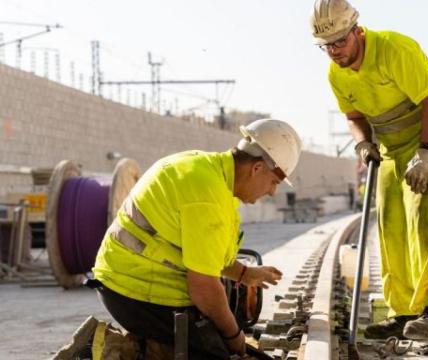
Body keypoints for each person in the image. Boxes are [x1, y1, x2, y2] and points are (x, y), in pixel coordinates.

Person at [310, 0, 428, 340]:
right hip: (393, 148)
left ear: (357, 31)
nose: (334, 51)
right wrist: (363, 143)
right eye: (326, 45)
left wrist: (426, 153)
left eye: (339, 41)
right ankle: (403, 312)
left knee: (426, 218)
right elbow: (354, 118)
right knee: (390, 224)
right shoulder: (336, 74)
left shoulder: (394, 49)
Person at [91, 119, 302, 359]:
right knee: (221, 350)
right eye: (274, 182)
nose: (273, 191)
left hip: (127, 279)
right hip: (134, 290)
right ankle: (119, 350)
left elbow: (202, 256)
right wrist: (234, 337)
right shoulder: (209, 195)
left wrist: (245, 274)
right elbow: (203, 288)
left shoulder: (210, 172)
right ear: (256, 168)